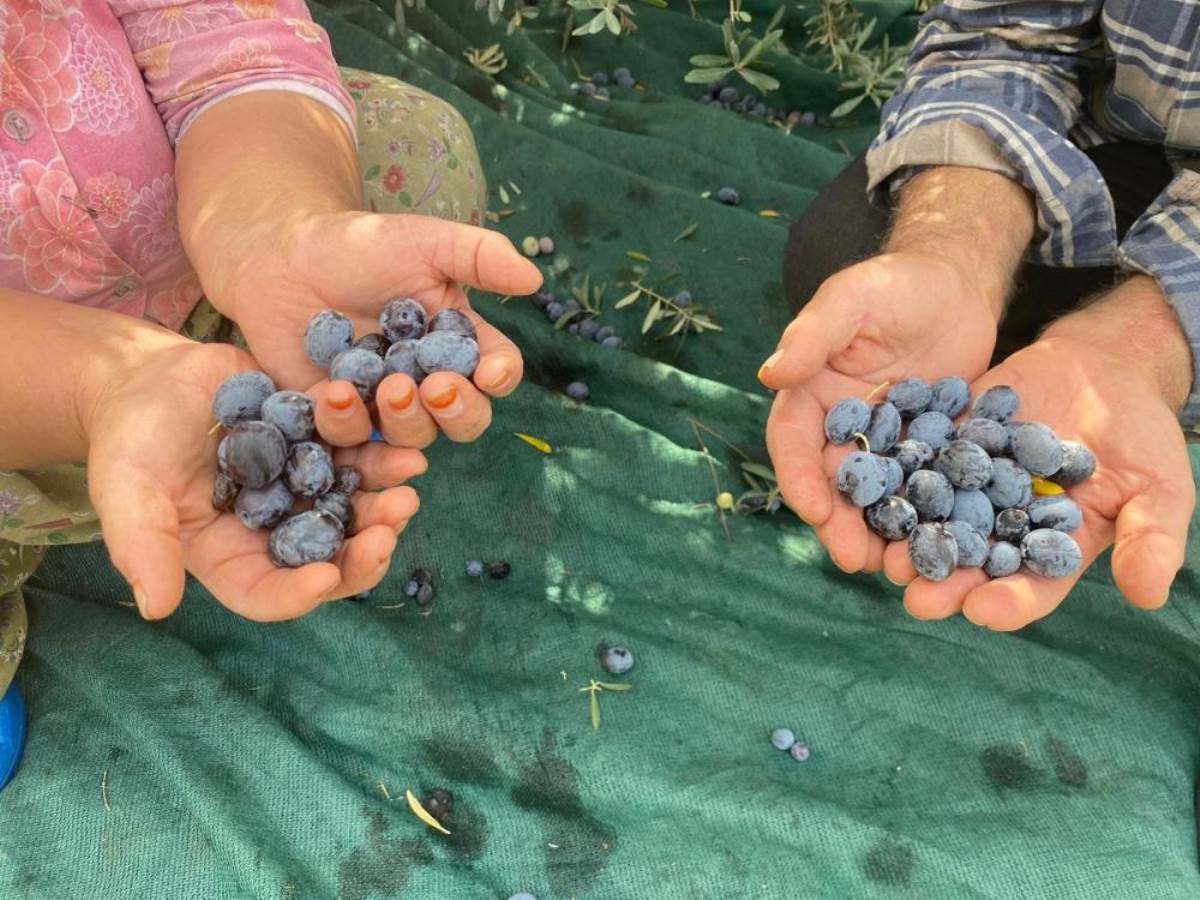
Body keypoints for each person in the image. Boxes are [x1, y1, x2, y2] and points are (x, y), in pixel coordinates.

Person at [0, 0, 543, 766]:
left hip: (193, 234)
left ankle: (300, 351)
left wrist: (272, 227)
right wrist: (96, 381)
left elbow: (218, 22)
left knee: (417, 153)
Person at [761, 1, 1199, 632]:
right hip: (1109, 127)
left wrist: (1143, 347)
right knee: (842, 254)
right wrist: (955, 252)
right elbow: (994, 34)